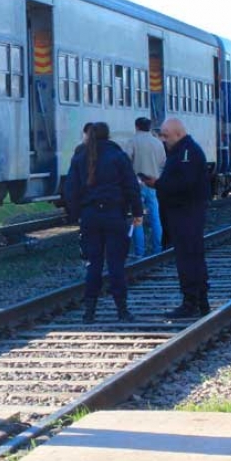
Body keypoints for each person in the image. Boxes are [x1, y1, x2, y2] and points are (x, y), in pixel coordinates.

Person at [63, 122, 144, 323]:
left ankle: (89, 313)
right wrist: (137, 212)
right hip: (114, 215)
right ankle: (122, 311)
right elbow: (131, 186)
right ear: (108, 135)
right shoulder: (118, 156)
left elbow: (70, 190)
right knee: (116, 264)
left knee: (93, 265)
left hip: (90, 216)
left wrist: (76, 214)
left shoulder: (80, 156)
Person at [143, 118, 211, 319]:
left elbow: (184, 184)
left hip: (186, 214)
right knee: (191, 256)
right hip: (184, 213)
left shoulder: (187, 152)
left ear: (178, 134)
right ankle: (199, 300)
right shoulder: (182, 151)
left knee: (188, 257)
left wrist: (158, 185)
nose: (163, 139)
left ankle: (192, 301)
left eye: (166, 135)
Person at [124, 117, 166, 258]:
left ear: (136, 127)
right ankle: (158, 248)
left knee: (137, 217)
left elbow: (126, 162)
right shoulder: (157, 143)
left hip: (137, 184)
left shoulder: (132, 141)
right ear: (150, 127)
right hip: (154, 183)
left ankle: (139, 251)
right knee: (155, 217)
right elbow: (162, 163)